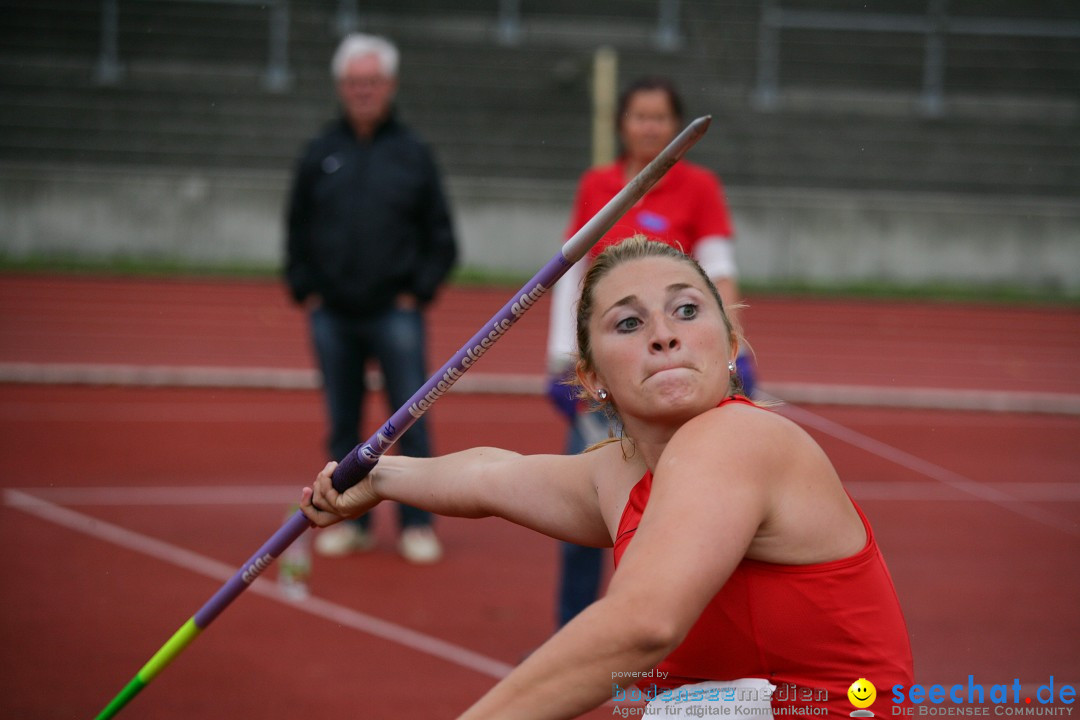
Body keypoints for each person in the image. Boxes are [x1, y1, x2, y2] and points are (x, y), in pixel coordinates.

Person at [301, 236, 914, 719]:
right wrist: (381, 476)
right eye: (629, 323)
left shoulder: (737, 439)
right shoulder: (619, 473)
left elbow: (642, 624)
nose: (664, 334)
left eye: (686, 309)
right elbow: (492, 475)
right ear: (591, 378)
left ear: (730, 342)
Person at [546, 76, 756, 627]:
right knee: (583, 510)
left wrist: (737, 355)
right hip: (614, 377)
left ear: (674, 126)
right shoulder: (598, 185)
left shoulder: (700, 187)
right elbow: (574, 277)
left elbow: (720, 274)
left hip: (676, 378)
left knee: (688, 516)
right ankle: (573, 633)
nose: (649, 127)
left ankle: (683, 636)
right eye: (639, 117)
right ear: (622, 125)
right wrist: (562, 358)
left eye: (659, 118)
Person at [285, 33, 457, 564]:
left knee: (409, 419)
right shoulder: (320, 152)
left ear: (390, 86)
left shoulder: (414, 154)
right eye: (355, 82)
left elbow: (442, 236)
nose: (364, 91)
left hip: (395, 313)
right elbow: (297, 227)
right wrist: (304, 288)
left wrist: (417, 291)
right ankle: (350, 521)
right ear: (342, 87)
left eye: (372, 82)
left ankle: (417, 524)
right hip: (332, 315)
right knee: (343, 424)